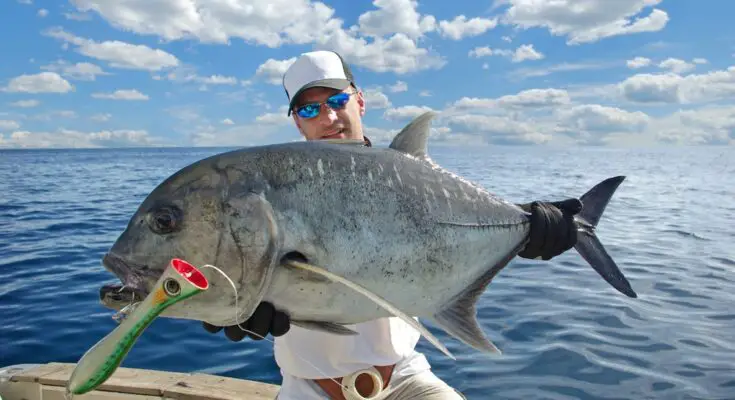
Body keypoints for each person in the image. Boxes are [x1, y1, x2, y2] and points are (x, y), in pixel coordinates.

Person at [202, 50, 582, 399]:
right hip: (308, 389)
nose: (328, 117)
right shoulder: (280, 192)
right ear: (298, 125)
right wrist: (228, 300)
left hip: (406, 379)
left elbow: (463, 222)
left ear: (360, 101)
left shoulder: (408, 179)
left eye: (337, 101)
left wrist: (528, 230)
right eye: (308, 110)